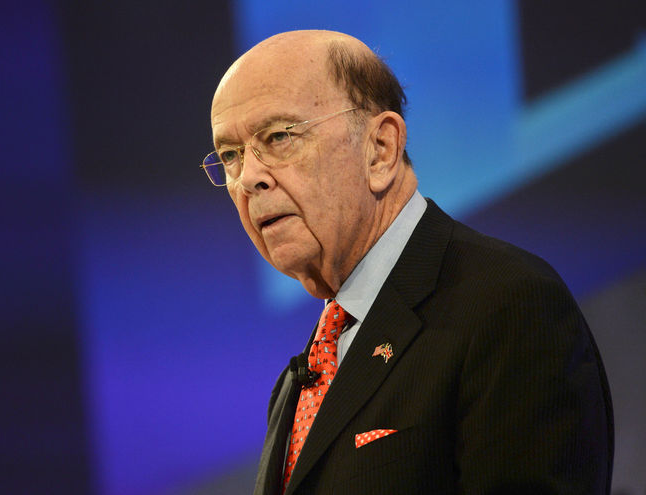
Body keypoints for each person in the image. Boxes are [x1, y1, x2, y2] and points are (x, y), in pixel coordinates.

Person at [202, 30, 613, 494]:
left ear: (381, 149)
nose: (249, 177)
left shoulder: (507, 305)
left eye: (279, 136)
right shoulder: (302, 376)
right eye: (230, 155)